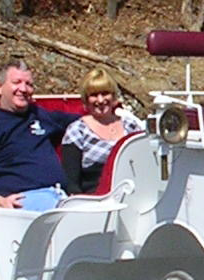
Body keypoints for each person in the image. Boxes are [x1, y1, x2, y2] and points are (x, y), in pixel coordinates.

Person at [0, 58, 78, 212]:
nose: (23, 88)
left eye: (28, 84)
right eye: (16, 82)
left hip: (61, 196)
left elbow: (81, 123)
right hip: (22, 203)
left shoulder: (40, 115)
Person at [60, 67, 143, 195]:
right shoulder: (77, 131)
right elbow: (71, 184)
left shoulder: (130, 125)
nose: (100, 100)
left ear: (113, 96)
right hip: (96, 199)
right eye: (94, 95)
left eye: (105, 93)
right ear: (86, 100)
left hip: (133, 194)